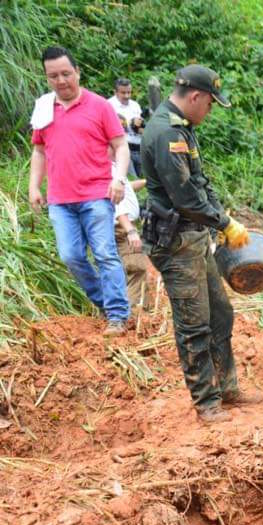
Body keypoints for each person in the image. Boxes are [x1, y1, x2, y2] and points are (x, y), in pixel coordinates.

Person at [141, 64, 260, 422]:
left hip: (194, 238)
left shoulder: (183, 128)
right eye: (210, 103)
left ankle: (226, 387)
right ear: (195, 96)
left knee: (220, 314)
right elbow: (185, 198)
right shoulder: (167, 133)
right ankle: (206, 402)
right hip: (176, 243)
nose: (210, 110)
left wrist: (222, 217)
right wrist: (223, 223)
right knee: (194, 325)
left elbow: (200, 182)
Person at [29, 46, 131, 336]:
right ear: (47, 78)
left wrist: (119, 179)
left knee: (105, 254)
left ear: (77, 72)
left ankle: (117, 315)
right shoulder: (44, 108)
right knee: (70, 256)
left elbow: (121, 145)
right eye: (53, 76)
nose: (61, 81)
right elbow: (39, 151)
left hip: (96, 194)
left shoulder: (99, 106)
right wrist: (34, 186)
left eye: (66, 73)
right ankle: (105, 302)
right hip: (60, 199)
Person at [112, 162, 149, 310]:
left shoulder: (114, 167)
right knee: (136, 268)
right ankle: (132, 312)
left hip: (121, 226)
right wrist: (130, 230)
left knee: (122, 268)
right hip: (121, 226)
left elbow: (125, 188)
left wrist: (146, 182)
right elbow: (116, 202)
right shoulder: (107, 168)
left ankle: (121, 310)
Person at [108, 78, 145, 177]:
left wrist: (139, 125)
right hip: (121, 148)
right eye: (123, 93)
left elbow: (140, 129)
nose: (127, 96)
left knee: (142, 179)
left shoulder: (135, 105)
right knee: (131, 179)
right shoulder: (109, 105)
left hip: (138, 147)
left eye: (129, 92)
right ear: (115, 92)